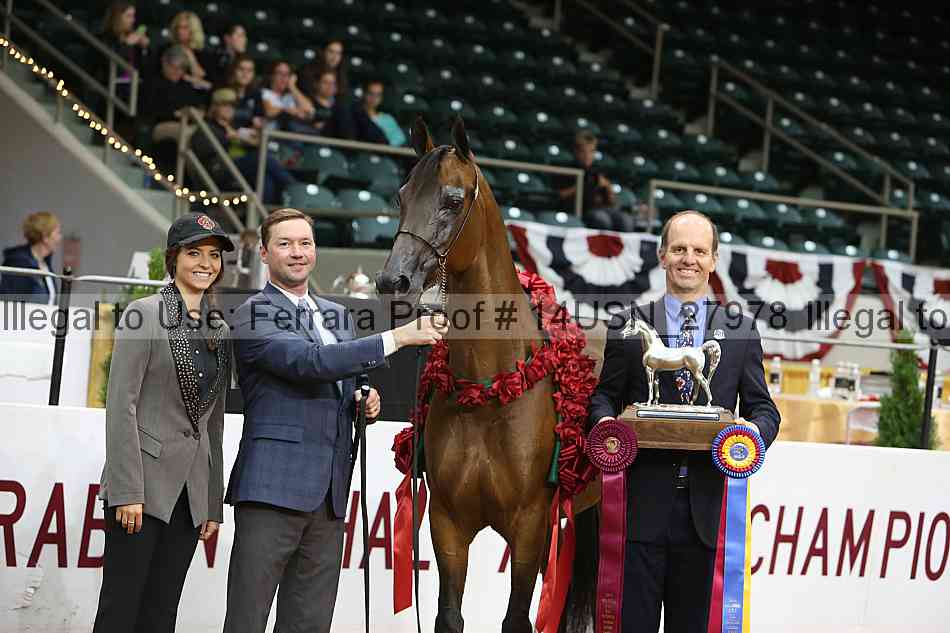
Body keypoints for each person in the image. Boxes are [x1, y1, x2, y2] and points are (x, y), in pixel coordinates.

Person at [222, 208, 449, 633]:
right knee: (246, 620)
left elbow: (346, 377)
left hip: (329, 496)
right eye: (285, 244)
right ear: (265, 254)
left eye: (305, 243)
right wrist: (398, 336)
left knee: (310, 623)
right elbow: (310, 362)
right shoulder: (254, 312)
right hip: (272, 489)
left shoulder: (337, 314)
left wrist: (364, 399)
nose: (297, 252)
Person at [589, 210, 781, 633]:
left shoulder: (741, 330)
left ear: (713, 260)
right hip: (639, 511)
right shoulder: (628, 325)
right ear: (662, 256)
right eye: (678, 249)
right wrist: (606, 428)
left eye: (698, 250)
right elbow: (604, 396)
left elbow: (764, 410)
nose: (688, 259)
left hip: (706, 516)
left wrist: (749, 435)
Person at [92, 213, 235, 633]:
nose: (206, 263)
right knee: (120, 610)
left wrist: (211, 500)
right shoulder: (144, 313)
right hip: (143, 487)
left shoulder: (219, 329)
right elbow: (122, 406)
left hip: (190, 497)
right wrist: (127, 491)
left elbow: (213, 424)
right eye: (195, 253)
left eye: (214, 255)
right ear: (174, 258)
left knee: (162, 613)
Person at [191, 88, 295, 204]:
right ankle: (294, 186)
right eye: (224, 105)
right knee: (261, 159)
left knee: (265, 177)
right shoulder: (206, 127)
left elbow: (256, 144)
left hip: (239, 169)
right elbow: (204, 151)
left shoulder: (236, 127)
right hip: (220, 169)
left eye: (232, 105)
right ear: (214, 107)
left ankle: (263, 211)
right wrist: (228, 138)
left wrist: (252, 140)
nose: (229, 109)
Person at [555, 130, 635, 232]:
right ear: (576, 152)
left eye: (591, 151)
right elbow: (560, 196)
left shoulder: (597, 170)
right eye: (583, 151)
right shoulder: (567, 170)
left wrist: (607, 186)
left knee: (626, 220)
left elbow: (611, 202)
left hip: (602, 209)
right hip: (580, 210)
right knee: (602, 219)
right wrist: (582, 185)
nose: (587, 155)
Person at [143, 45, 207, 171]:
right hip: (159, 124)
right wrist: (176, 113)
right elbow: (149, 108)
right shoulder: (153, 83)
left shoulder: (186, 86)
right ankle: (195, 173)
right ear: (164, 64)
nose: (177, 71)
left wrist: (198, 113)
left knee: (204, 132)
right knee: (185, 133)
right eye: (173, 67)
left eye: (181, 68)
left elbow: (197, 103)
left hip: (187, 123)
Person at [0, 211, 62, 304]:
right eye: (57, 233)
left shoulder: (45, 264)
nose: (60, 238)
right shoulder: (19, 263)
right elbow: (12, 302)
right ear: (45, 236)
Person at [260, 60, 316, 134]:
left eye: (287, 74)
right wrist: (291, 111)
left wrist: (292, 87)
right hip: (272, 134)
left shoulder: (291, 96)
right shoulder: (264, 92)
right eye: (280, 73)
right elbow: (269, 111)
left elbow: (310, 111)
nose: (283, 78)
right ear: (272, 75)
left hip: (292, 135)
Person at [161, 11, 212, 91]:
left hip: (194, 92)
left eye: (185, 28)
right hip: (169, 89)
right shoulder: (166, 49)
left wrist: (189, 55)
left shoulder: (203, 53)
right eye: (178, 27)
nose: (180, 31)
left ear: (194, 30)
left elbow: (203, 77)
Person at [352, 78, 406, 146]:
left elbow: (399, 140)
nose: (374, 98)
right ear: (364, 93)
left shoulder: (388, 119)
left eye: (378, 95)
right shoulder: (353, 115)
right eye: (371, 93)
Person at [307, 69, 355, 139]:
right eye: (325, 82)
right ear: (316, 84)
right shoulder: (307, 101)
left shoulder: (341, 106)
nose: (330, 86)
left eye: (333, 83)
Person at [300, 39, 349, 104]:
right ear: (323, 52)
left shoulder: (342, 75)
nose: (334, 57)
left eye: (338, 53)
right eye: (331, 52)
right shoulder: (308, 72)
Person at [226, 54, 263, 130]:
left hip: (246, 134)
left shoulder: (256, 94)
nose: (245, 74)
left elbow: (258, 120)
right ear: (233, 70)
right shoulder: (224, 90)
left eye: (249, 70)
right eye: (241, 69)